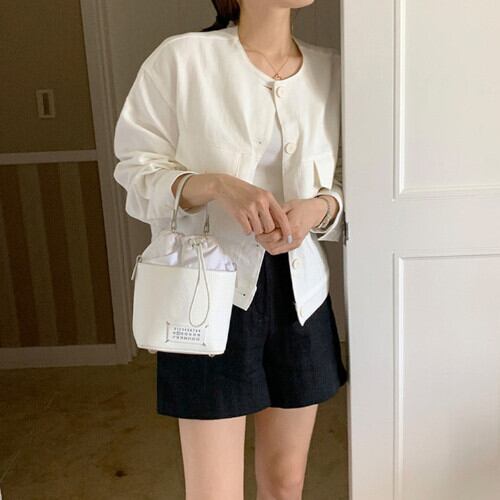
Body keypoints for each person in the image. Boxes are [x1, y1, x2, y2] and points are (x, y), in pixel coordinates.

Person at [113, 1, 348, 498]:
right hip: (207, 290)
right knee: (213, 491)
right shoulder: (183, 59)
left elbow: (358, 177)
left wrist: (320, 207)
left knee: (286, 483)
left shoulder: (333, 71)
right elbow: (136, 169)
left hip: (301, 296)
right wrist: (218, 186)